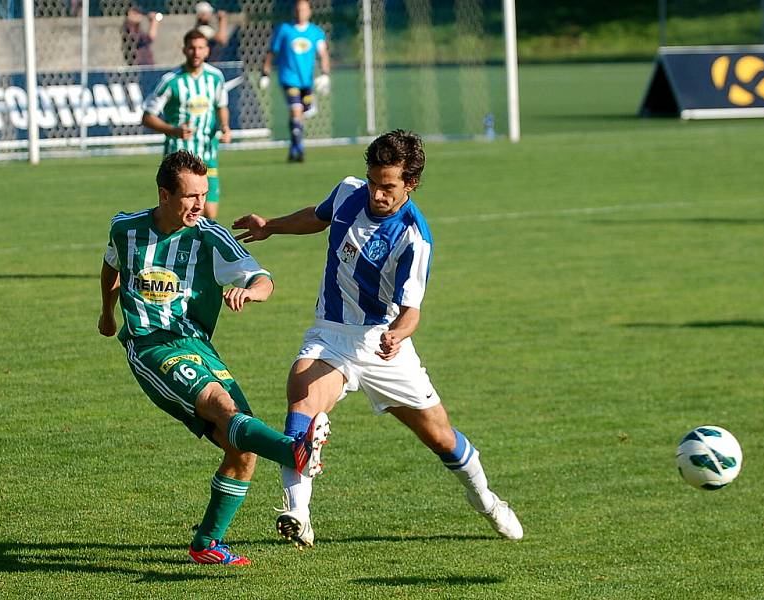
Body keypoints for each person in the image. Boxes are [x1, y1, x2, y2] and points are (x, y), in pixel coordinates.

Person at [232, 130, 523, 549]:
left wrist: (396, 336)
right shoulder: (350, 191)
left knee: (440, 437)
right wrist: (271, 227)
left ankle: (487, 501)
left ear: (411, 184)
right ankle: (298, 512)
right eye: (374, 182)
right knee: (301, 393)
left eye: (388, 186)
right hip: (331, 333)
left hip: (381, 344)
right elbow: (318, 216)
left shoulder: (414, 238)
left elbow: (411, 313)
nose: (378, 194)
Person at [98, 150, 331, 565]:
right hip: (150, 346)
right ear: (164, 194)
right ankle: (296, 451)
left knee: (242, 449)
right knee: (223, 408)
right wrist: (107, 312)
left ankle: (205, 544)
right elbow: (112, 264)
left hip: (197, 346)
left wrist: (250, 292)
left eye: (203, 194)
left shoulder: (210, 236)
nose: (199, 205)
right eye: (189, 196)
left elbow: (263, 279)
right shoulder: (126, 228)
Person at [142, 29, 230, 221]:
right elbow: (147, 117)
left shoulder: (215, 78)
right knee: (180, 214)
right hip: (178, 158)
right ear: (184, 50)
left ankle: (196, 250)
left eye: (200, 48)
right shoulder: (171, 81)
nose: (196, 53)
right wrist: (174, 130)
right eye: (192, 48)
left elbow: (221, 106)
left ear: (207, 51)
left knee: (209, 214)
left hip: (208, 155)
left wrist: (225, 127)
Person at [259, 0, 331, 163]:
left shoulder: (315, 32)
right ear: (294, 11)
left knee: (301, 115)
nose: (300, 13)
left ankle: (294, 147)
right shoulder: (284, 30)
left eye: (303, 10)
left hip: (307, 82)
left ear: (309, 12)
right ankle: (299, 149)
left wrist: (325, 74)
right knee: (296, 111)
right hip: (288, 78)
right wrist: (265, 73)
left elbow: (323, 54)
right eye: (298, 9)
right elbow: (272, 52)